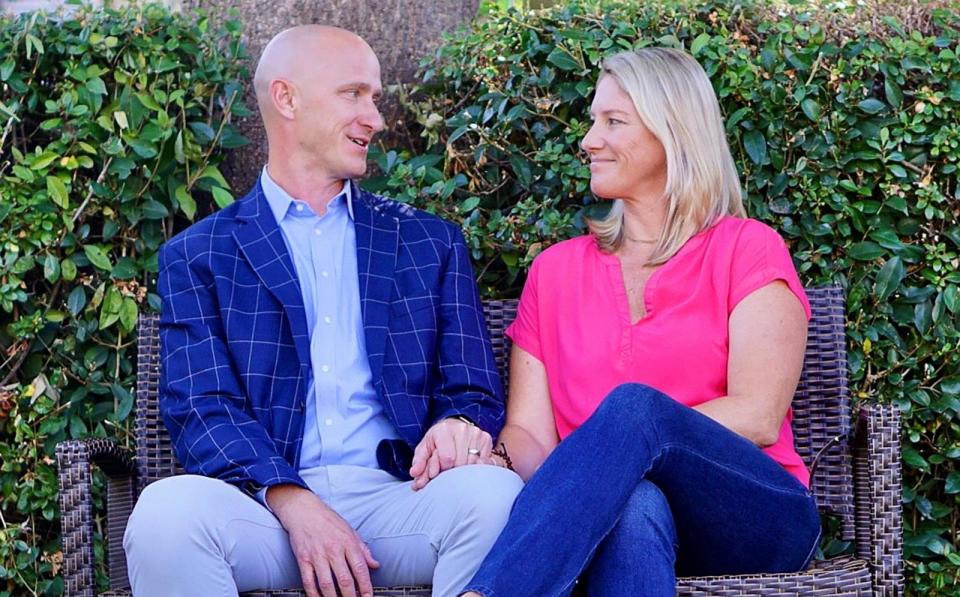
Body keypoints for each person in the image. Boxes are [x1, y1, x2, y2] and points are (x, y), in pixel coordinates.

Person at [123, 25, 523, 597]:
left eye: (376, 99)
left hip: (400, 500)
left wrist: (457, 426)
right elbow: (201, 409)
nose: (375, 119)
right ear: (287, 99)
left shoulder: (429, 242)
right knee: (165, 517)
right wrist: (293, 499)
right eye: (353, 94)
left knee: (498, 500)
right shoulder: (200, 255)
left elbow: (474, 392)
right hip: (265, 511)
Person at [460, 47, 821, 597]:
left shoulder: (746, 249)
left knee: (635, 409)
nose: (588, 140)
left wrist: (625, 441)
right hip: (620, 514)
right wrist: (553, 474)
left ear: (672, 133)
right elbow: (530, 432)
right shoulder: (555, 272)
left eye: (613, 122)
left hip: (753, 516)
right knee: (634, 503)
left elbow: (758, 415)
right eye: (592, 122)